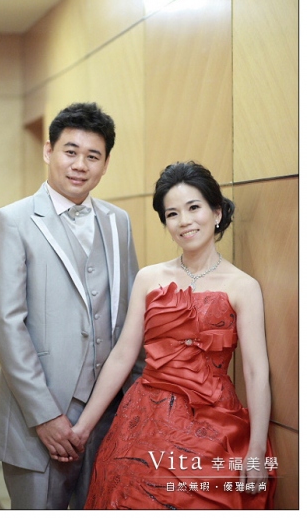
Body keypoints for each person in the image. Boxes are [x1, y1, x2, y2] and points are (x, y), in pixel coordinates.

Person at [65, 160, 276, 510]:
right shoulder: (149, 278)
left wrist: (255, 450)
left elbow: (256, 372)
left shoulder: (243, 286)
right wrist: (83, 428)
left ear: (217, 212)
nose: (184, 221)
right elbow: (123, 355)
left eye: (194, 208)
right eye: (172, 214)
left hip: (213, 425)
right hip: (143, 424)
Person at [0, 102, 140, 510]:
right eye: (71, 151)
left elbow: (130, 320)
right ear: (48, 151)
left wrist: (135, 405)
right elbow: (6, 325)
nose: (80, 165)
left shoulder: (118, 222)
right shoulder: (11, 221)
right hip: (37, 421)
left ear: (106, 164)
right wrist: (45, 417)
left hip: (107, 417)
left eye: (93, 156)